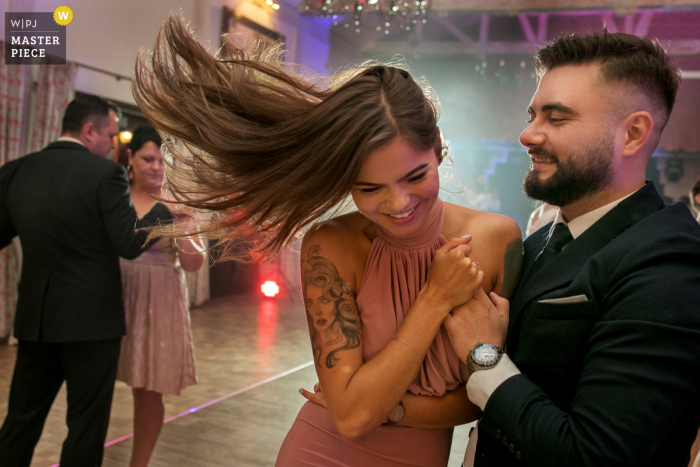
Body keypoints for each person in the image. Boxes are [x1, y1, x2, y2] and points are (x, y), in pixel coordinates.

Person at [132, 15, 522, 466]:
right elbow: (353, 420)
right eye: (369, 188)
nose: (397, 204)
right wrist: (435, 298)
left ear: (438, 146)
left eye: (415, 175)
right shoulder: (332, 246)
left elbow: (490, 397)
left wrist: (385, 407)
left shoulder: (499, 241)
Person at [442, 32, 700, 467]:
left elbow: (590, 455)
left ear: (633, 133)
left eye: (556, 119)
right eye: (532, 115)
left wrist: (483, 355)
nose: (527, 134)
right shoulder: (543, 238)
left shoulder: (671, 264)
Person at [0, 96, 172, 467]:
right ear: (89, 129)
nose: (114, 144)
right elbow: (128, 243)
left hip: (37, 319)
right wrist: (165, 210)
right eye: (111, 134)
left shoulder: (15, 170)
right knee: (85, 428)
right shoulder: (103, 173)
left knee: (20, 421)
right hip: (92, 323)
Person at [116, 126, 205, 467]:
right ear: (131, 159)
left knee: (148, 386)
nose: (155, 166)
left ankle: (139, 463)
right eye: (147, 158)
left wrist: (182, 223)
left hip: (159, 295)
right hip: (118, 287)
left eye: (161, 160)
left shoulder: (176, 200)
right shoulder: (116, 195)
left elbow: (194, 263)